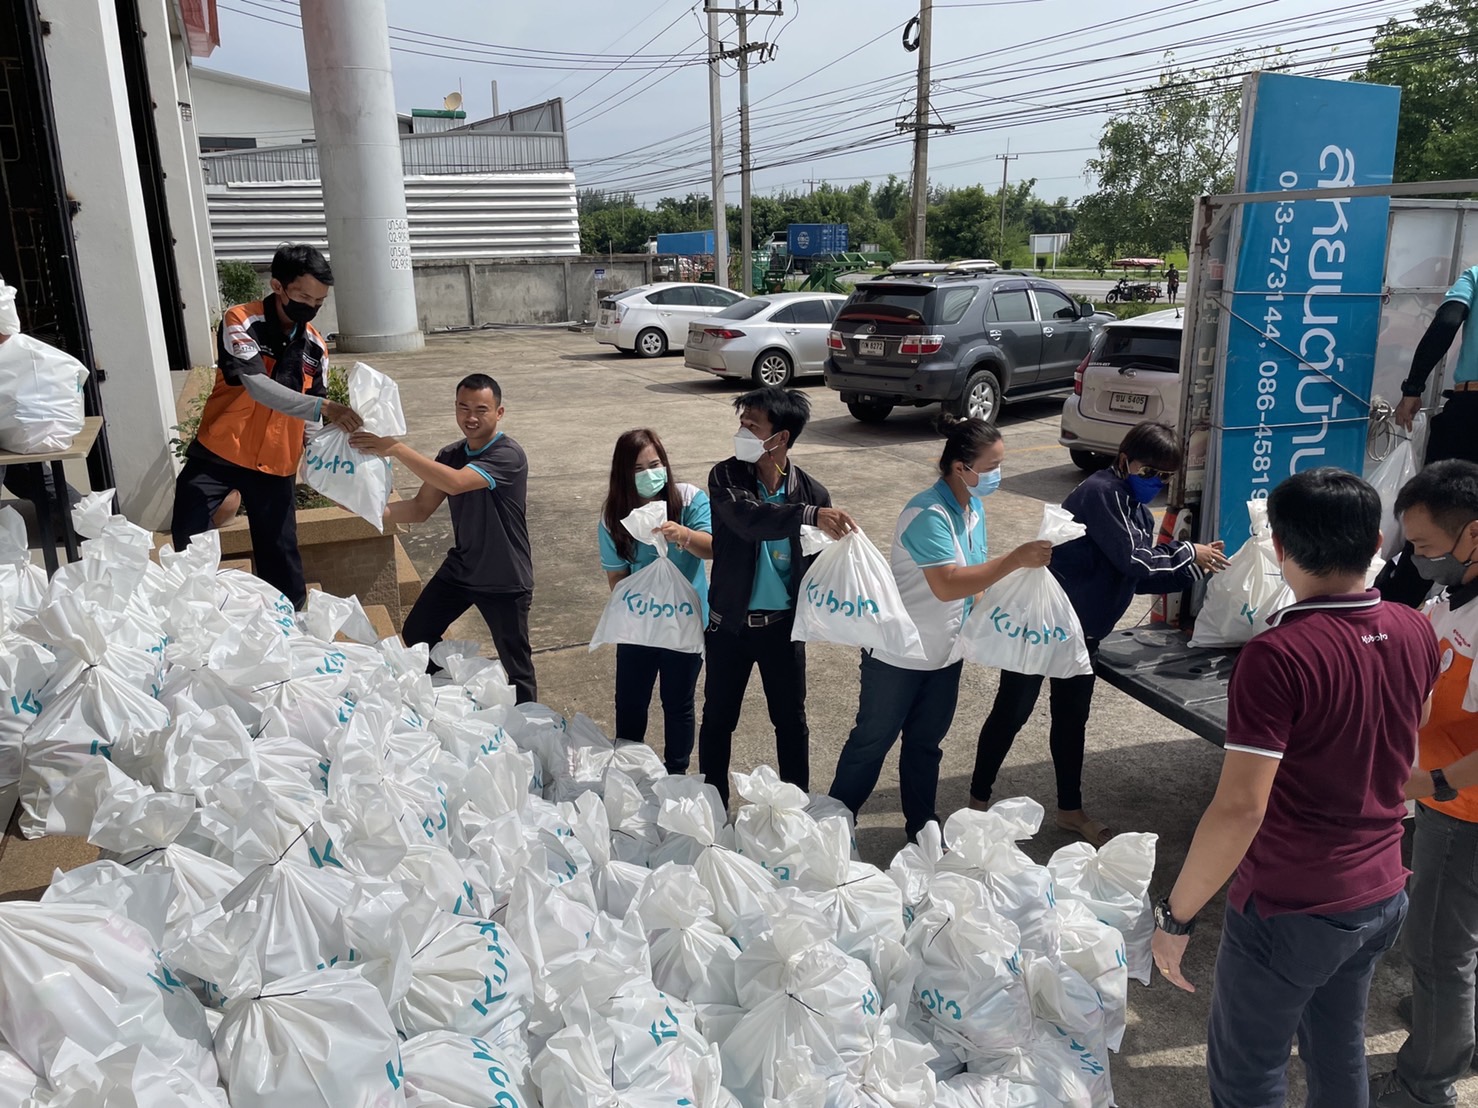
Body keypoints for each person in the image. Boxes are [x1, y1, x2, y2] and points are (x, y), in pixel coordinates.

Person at [1151, 467, 1440, 1108]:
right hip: (1381, 890)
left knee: (1248, 1073)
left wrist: (1176, 915)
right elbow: (1409, 729)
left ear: (1278, 548)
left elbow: (1239, 807)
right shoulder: (1414, 626)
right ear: (1375, 541)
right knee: (1337, 1050)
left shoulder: (1278, 655)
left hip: (1293, 904)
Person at [969, 420, 1226, 845]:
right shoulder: (1101, 492)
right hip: (1045, 626)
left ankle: (1070, 809)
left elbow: (1136, 578)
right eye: (1149, 471)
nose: (1155, 482)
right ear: (1125, 460)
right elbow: (1135, 561)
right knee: (1011, 712)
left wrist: (1197, 571)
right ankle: (977, 804)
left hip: (1083, 634)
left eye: (1164, 477)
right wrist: (1187, 551)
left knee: (1072, 721)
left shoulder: (1136, 509)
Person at [827, 417, 1052, 841]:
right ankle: (834, 824)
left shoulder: (973, 510)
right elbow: (947, 584)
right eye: (991, 466)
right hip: (899, 655)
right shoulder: (927, 514)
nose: (997, 475)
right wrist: (1015, 559)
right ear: (960, 467)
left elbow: (975, 586)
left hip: (944, 656)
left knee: (925, 746)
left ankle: (921, 829)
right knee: (871, 743)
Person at [1370, 460, 1478, 1108]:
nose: (1416, 558)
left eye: (1427, 547)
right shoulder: (1455, 594)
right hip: (1448, 794)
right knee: (1457, 941)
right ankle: (1454, 1023)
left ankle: (1423, 1085)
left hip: (1462, 807)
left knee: (1438, 949)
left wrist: (1427, 783)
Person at [171, 244, 362, 608]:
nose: (311, 306)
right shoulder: (241, 321)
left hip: (277, 462)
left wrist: (324, 456)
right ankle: (192, 611)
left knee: (281, 555)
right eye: (304, 296)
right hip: (221, 451)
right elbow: (257, 387)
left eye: (320, 301)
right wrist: (325, 406)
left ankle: (291, 625)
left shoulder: (316, 346)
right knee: (188, 534)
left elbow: (310, 417)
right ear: (278, 286)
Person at [698, 387, 857, 809]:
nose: (742, 432)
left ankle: (796, 808)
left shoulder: (813, 493)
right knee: (718, 719)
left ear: (780, 438)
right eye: (742, 424)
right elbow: (748, 519)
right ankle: (713, 807)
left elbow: (824, 567)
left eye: (752, 426)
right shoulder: (726, 477)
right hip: (728, 625)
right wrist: (806, 515)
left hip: (782, 629)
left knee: (790, 723)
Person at [350, 374, 536, 704]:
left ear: (500, 413)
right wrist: (363, 507)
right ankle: (457, 698)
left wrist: (397, 449)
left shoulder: (509, 455)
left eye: (481, 409)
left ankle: (531, 732)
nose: (471, 417)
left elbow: (455, 484)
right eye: (463, 408)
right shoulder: (450, 454)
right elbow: (420, 508)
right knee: (416, 634)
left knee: (517, 668)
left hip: (504, 577)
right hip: (462, 570)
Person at [599, 428, 713, 775]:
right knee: (630, 702)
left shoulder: (690, 499)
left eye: (655, 463)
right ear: (622, 474)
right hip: (639, 627)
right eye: (637, 469)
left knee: (677, 703)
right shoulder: (613, 517)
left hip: (685, 623)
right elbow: (617, 580)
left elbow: (711, 547)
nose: (650, 474)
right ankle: (630, 769)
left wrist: (683, 535)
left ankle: (675, 773)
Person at [1380, 264, 1478, 607]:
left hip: (1471, 412)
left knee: (1436, 508)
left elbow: (1447, 323)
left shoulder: (1476, 276)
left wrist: (1412, 388)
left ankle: (1396, 611)